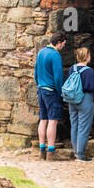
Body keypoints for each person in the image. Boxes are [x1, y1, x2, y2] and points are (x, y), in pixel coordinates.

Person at [34, 32, 66, 160]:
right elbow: (58, 77)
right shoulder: (55, 55)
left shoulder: (41, 52)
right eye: (63, 43)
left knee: (43, 120)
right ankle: (51, 152)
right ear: (58, 42)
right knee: (53, 121)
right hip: (52, 91)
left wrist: (40, 84)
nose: (63, 46)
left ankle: (42, 150)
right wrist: (60, 92)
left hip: (41, 89)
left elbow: (36, 72)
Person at [68, 44, 94, 161]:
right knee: (83, 127)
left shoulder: (72, 68)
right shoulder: (89, 71)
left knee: (74, 125)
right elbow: (92, 87)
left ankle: (76, 152)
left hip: (72, 100)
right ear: (87, 56)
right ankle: (80, 155)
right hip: (85, 99)